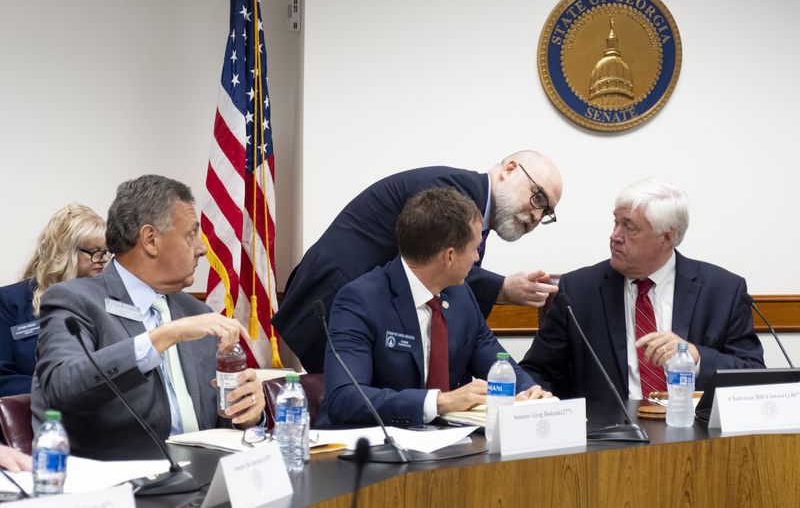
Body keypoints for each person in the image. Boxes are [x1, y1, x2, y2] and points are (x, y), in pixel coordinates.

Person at [31, 175, 266, 460]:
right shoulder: (75, 301)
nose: (202, 248)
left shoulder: (197, 313)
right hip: (122, 490)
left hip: (204, 479)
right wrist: (165, 336)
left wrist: (248, 415)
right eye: (191, 235)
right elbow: (62, 387)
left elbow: (217, 424)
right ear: (151, 240)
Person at [274, 150, 564, 372]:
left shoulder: (475, 207)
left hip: (360, 313)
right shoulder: (451, 192)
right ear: (509, 170)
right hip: (333, 300)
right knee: (350, 408)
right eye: (538, 197)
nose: (537, 216)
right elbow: (435, 264)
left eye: (547, 212)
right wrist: (503, 287)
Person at [317, 188, 551, 427]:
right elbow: (344, 399)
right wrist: (439, 402)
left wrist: (529, 391)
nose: (476, 259)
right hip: (374, 449)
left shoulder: (461, 295)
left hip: (449, 447)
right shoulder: (360, 300)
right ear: (449, 256)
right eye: (473, 249)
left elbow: (495, 359)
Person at [519, 178, 765, 401]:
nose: (614, 236)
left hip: (695, 437)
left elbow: (753, 375)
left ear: (667, 238)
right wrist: (537, 394)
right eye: (616, 222)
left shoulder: (723, 291)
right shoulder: (579, 291)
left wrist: (696, 357)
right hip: (606, 438)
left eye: (629, 227)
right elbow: (538, 370)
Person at [0, 204, 107, 398]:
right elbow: (3, 379)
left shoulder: (107, 300)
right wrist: (57, 389)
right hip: (38, 416)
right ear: (66, 252)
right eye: (94, 252)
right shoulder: (10, 301)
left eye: (106, 252)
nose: (102, 259)